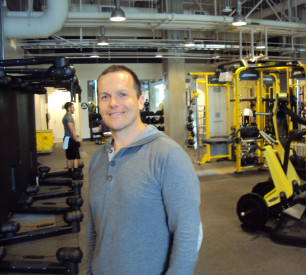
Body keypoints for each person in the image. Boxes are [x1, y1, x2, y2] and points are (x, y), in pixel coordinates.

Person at [86, 65, 202, 275]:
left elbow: (188, 234)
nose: (113, 103)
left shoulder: (168, 156)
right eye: (105, 97)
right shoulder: (97, 159)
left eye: (122, 94)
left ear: (140, 101)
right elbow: (94, 228)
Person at [62, 102, 81, 179]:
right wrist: (76, 140)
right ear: (69, 108)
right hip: (70, 139)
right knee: (76, 156)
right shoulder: (69, 117)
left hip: (66, 138)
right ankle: (76, 174)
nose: (74, 109)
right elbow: (71, 130)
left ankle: (70, 173)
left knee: (69, 157)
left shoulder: (65, 117)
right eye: (73, 107)